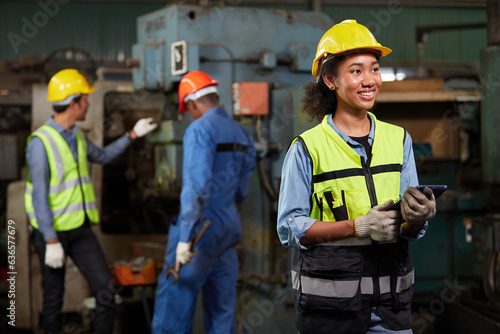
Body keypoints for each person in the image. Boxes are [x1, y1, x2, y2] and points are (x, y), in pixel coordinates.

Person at [277, 20, 437, 334]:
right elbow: (290, 227)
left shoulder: (398, 140)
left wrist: (418, 216)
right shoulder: (307, 148)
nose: (369, 80)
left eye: (374, 69)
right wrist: (359, 226)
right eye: (356, 71)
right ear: (330, 79)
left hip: (391, 307)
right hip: (330, 313)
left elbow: (408, 226)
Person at [25, 68, 158, 334]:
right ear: (73, 103)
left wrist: (132, 135)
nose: (87, 104)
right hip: (52, 234)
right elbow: (39, 194)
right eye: (84, 99)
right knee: (53, 300)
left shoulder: (77, 136)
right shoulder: (41, 142)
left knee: (106, 293)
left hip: (80, 229)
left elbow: (103, 156)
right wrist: (51, 241)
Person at [151, 70, 256, 334]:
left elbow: (197, 190)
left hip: (200, 233)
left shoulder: (199, 129)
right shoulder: (242, 134)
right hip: (228, 231)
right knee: (222, 314)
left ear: (193, 103)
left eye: (188, 109)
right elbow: (242, 192)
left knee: (172, 315)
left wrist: (186, 238)